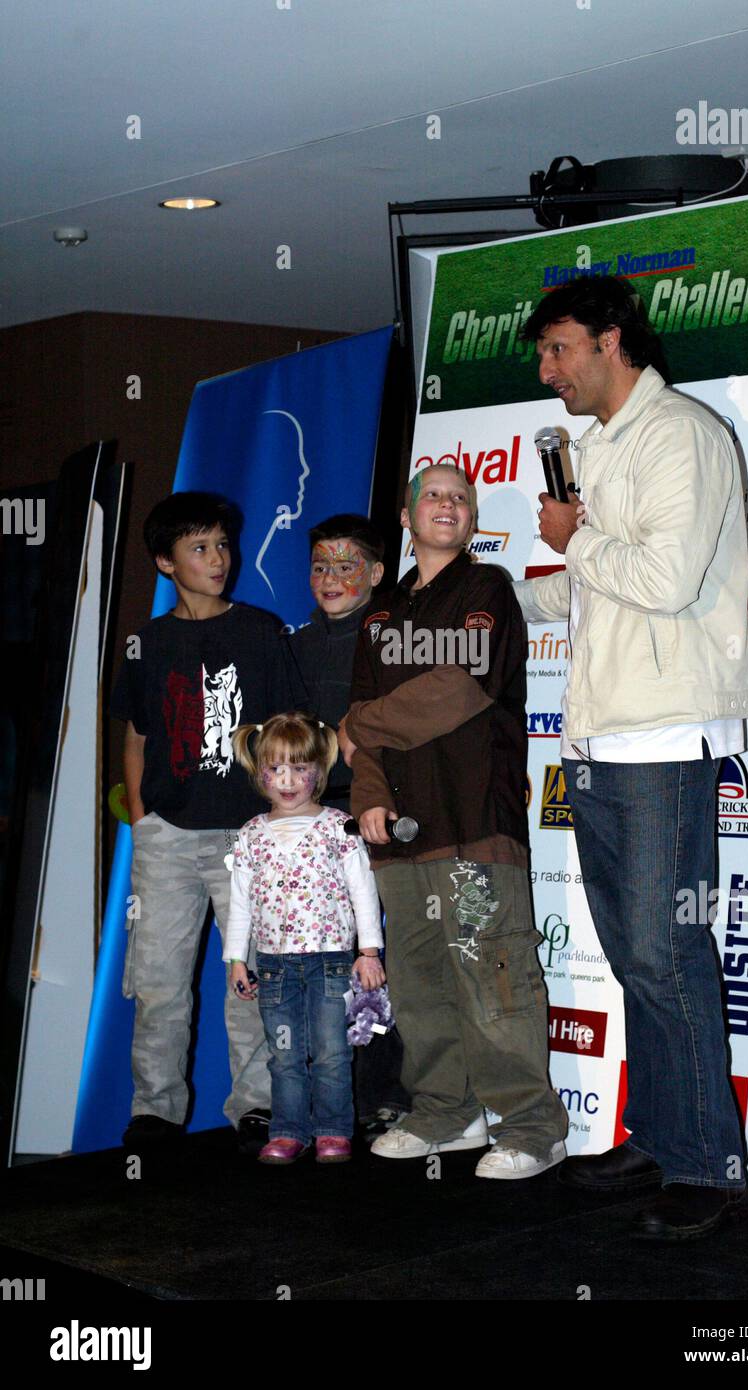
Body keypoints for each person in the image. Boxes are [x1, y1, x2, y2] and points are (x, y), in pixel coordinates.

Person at [513, 277, 748, 1239]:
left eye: (559, 349)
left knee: (664, 952)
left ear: (613, 341)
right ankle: (657, 1136)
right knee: (632, 956)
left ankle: (707, 1165)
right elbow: (587, 586)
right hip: (601, 733)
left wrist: (574, 544)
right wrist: (479, 595)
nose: (547, 371)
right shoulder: (596, 449)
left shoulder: (679, 435)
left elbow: (658, 577)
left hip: (662, 731)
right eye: (542, 354)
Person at [338, 464, 567, 1179]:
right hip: (400, 835)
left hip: (472, 823)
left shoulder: (486, 588)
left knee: (492, 975)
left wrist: (358, 722)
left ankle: (532, 1127)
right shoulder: (378, 613)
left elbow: (460, 686)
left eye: (460, 498)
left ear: (471, 522)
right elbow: (360, 735)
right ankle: (446, 1111)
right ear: (406, 518)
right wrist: (367, 795)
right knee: (419, 980)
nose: (448, 504)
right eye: (433, 495)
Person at [111, 491, 295, 1155]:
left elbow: (288, 734)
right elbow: (134, 735)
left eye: (222, 544)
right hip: (169, 838)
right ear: (166, 562)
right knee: (158, 982)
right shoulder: (147, 643)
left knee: (250, 982)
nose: (218, 559)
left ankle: (258, 1109)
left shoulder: (261, 630)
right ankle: (155, 1113)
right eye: (199, 548)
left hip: (248, 836)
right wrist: (143, 815)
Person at [286, 514, 411, 1138]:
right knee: (324, 961)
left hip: (375, 815)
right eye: (319, 566)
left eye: (346, 565)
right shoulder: (292, 644)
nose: (330, 577)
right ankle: (325, 1098)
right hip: (309, 826)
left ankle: (384, 1091)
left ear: (377, 573)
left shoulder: (394, 637)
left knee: (380, 955)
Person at [225, 713, 384, 1164]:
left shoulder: (340, 828)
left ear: (319, 770)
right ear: (260, 773)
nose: (288, 780)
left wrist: (368, 951)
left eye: (299, 768)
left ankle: (333, 1130)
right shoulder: (251, 835)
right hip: (274, 966)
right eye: (276, 769)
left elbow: (363, 892)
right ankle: (289, 1130)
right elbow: (241, 902)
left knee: (333, 1053)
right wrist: (237, 960)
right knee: (284, 1055)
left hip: (332, 961)